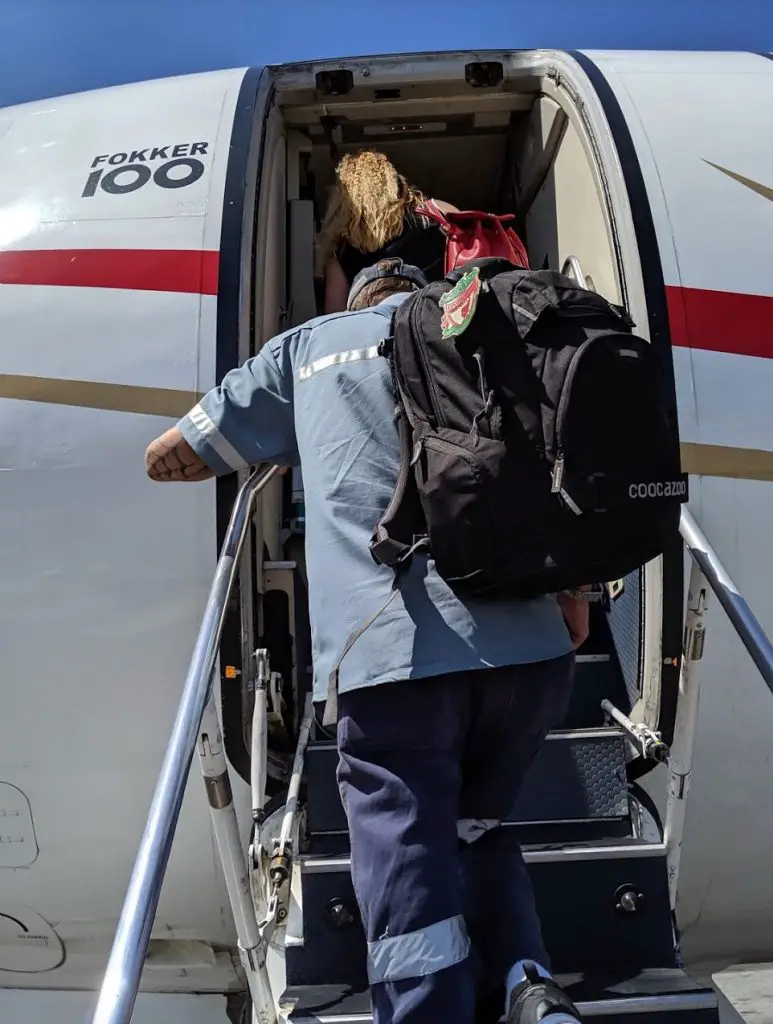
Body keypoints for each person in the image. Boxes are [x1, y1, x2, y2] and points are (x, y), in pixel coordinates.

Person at [144, 259, 586, 1024]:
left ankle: (427, 1013)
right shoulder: (483, 333)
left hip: (395, 664)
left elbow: (172, 454)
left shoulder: (309, 349)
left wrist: (300, 436)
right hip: (529, 654)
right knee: (473, 829)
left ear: (352, 298)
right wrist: (573, 598)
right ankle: (525, 979)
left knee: (407, 860)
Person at [317, 148, 458, 313]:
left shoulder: (341, 252)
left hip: (377, 333)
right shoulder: (433, 214)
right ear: (392, 182)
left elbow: (335, 317)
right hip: (437, 320)